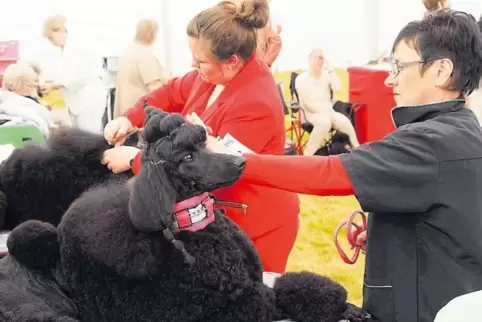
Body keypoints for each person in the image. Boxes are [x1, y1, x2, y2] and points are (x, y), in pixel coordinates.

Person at [198, 9, 482, 322]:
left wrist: (233, 159)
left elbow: (329, 172)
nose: (390, 78)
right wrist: (385, 233)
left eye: (400, 66)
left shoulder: (430, 142)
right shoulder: (461, 131)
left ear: (441, 70)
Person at [102, 0, 300, 273]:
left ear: (231, 62)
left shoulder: (256, 104)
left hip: (257, 225)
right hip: (218, 215)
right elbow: (171, 92)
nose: (192, 65)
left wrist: (137, 160)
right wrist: (129, 118)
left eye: (200, 61)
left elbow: (213, 168)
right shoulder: (209, 76)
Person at [27, 15, 107, 134]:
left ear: (59, 31)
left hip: (88, 101)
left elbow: (78, 78)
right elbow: (61, 74)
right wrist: (50, 85)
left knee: (89, 137)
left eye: (51, 38)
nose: (51, 42)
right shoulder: (64, 51)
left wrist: (54, 85)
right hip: (76, 103)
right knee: (80, 137)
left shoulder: (78, 48)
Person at [295, 49, 359, 155]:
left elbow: (337, 88)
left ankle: (357, 150)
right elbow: (306, 105)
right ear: (309, 60)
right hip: (310, 114)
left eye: (321, 58)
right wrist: (328, 117)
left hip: (329, 112)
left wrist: (331, 70)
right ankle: (308, 155)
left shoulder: (326, 75)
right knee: (324, 123)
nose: (318, 61)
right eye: (315, 58)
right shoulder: (301, 79)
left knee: (346, 123)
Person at [114, 18, 169, 119]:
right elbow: (155, 89)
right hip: (140, 115)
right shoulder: (146, 56)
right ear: (152, 34)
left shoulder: (127, 52)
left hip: (125, 113)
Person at [0, 63, 53, 137]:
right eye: (34, 82)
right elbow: (48, 131)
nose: (36, 85)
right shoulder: (36, 108)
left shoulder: (4, 100)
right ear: (27, 85)